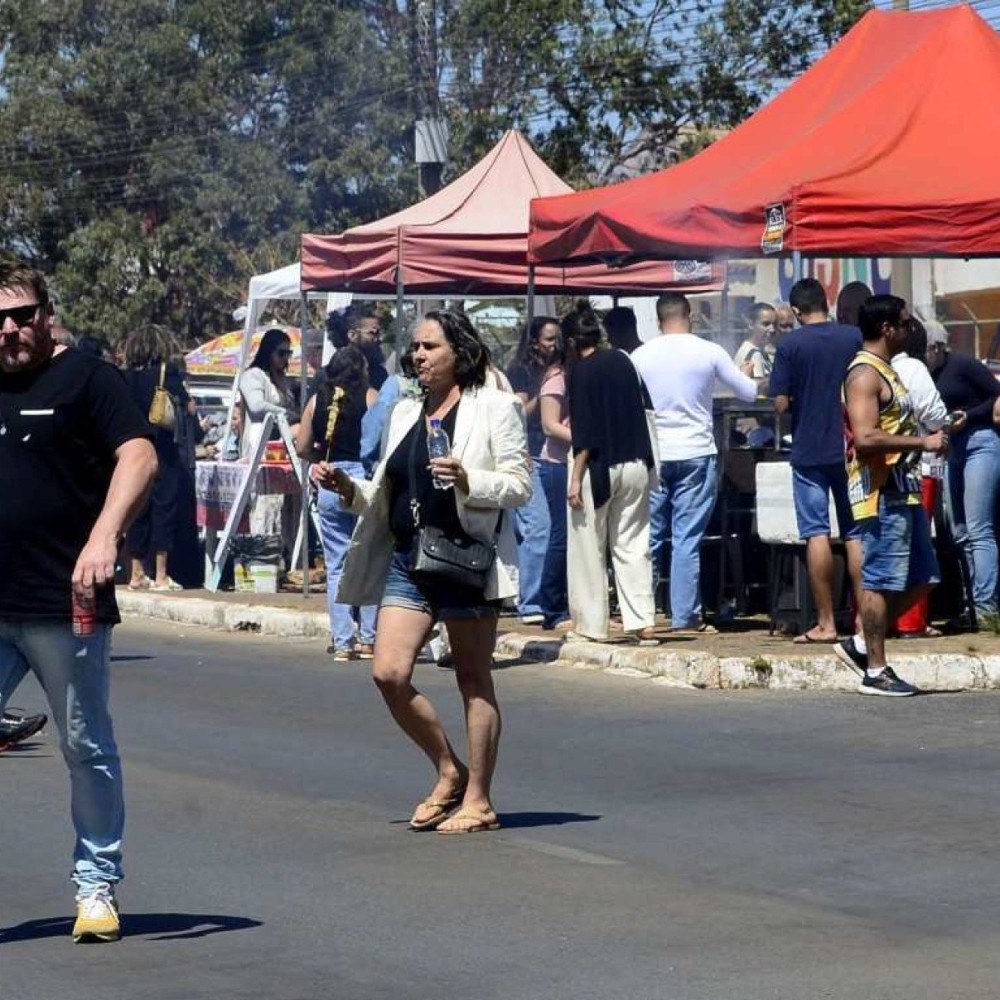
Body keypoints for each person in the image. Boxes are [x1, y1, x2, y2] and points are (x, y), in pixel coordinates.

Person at [321, 310, 530, 835]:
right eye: (414, 347)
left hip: (465, 558)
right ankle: (448, 769)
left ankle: (478, 800)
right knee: (387, 672)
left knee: (472, 679)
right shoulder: (405, 411)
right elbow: (388, 487)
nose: (419, 356)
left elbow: (519, 485)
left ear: (459, 352)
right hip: (409, 557)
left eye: (430, 347)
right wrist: (348, 490)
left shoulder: (495, 407)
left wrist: (467, 479)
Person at [0, 258, 158, 940]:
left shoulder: (90, 378)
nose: (9, 329)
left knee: (85, 746)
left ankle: (96, 887)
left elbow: (140, 457)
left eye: (22, 315)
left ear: (47, 314)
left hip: (67, 601)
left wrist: (104, 537)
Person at [835, 295, 947, 696]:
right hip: (880, 492)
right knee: (881, 580)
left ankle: (862, 643)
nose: (909, 329)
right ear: (886, 329)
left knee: (924, 577)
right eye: (903, 322)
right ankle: (876, 669)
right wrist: (923, 442)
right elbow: (865, 438)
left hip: (905, 488)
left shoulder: (888, 370)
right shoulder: (864, 374)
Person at [632, 292, 757, 634]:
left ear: (659, 321)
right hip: (697, 451)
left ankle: (642, 611)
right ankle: (684, 615)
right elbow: (748, 392)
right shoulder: (710, 351)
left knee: (650, 536)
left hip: (655, 455)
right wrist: (743, 371)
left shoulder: (639, 356)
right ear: (690, 315)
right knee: (686, 538)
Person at [770, 278, 864, 644]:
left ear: (795, 311)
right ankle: (861, 620)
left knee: (817, 533)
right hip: (850, 448)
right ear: (826, 303)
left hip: (809, 450)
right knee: (856, 534)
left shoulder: (790, 344)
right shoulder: (852, 338)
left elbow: (779, 401)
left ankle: (825, 623)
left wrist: (790, 399)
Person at [563, 302, 657, 643]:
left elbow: (584, 431)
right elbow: (646, 409)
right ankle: (642, 620)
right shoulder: (623, 360)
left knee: (588, 548)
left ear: (572, 341)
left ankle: (591, 625)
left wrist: (575, 476)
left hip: (597, 469)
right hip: (636, 463)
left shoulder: (580, 371)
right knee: (632, 544)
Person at [295, 346, 378, 660]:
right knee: (368, 560)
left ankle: (343, 640)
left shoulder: (317, 401)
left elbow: (302, 446)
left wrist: (320, 461)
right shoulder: (371, 398)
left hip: (329, 478)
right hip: (362, 481)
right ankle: (369, 638)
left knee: (336, 565)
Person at [892, 317, 962, 637]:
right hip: (919, 466)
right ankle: (910, 620)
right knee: (919, 543)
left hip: (880, 467)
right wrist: (949, 422)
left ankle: (882, 618)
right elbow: (934, 414)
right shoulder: (914, 369)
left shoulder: (865, 364)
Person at [926, 320, 1000, 622]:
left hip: (980, 441)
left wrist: (968, 416)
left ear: (938, 347)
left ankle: (986, 608)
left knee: (978, 527)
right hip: (954, 447)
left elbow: (995, 396)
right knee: (959, 531)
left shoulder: (963, 365)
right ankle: (972, 602)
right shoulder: (927, 373)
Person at [120, 326, 188, 591]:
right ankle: (161, 574)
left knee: (138, 509)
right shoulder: (166, 374)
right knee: (164, 509)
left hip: (134, 448)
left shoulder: (124, 377)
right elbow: (184, 402)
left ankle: (136, 572)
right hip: (162, 448)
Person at [506, 316, 561, 625]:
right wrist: (544, 396)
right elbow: (516, 414)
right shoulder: (521, 370)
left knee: (553, 529)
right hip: (528, 455)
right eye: (549, 339)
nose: (554, 345)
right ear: (534, 341)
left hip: (553, 457)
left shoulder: (560, 369)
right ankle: (531, 601)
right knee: (538, 526)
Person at [537, 335, 572, 630]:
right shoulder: (556, 380)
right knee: (560, 536)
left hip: (573, 461)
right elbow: (550, 425)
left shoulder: (573, 376)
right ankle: (552, 606)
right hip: (556, 464)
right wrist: (586, 437)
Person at [238, 327, 301, 459]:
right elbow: (256, 406)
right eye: (281, 353)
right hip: (259, 444)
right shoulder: (253, 375)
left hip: (283, 444)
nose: (285, 358)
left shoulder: (284, 380)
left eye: (288, 353)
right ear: (268, 351)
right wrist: (286, 414)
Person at [327, 304, 389, 390]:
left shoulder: (379, 373)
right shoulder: (328, 375)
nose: (379, 339)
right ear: (352, 335)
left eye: (380, 333)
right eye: (373, 333)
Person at [733, 303, 776, 382]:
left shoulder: (752, 349)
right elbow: (759, 389)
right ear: (751, 324)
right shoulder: (754, 354)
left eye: (774, 324)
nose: (772, 329)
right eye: (766, 324)